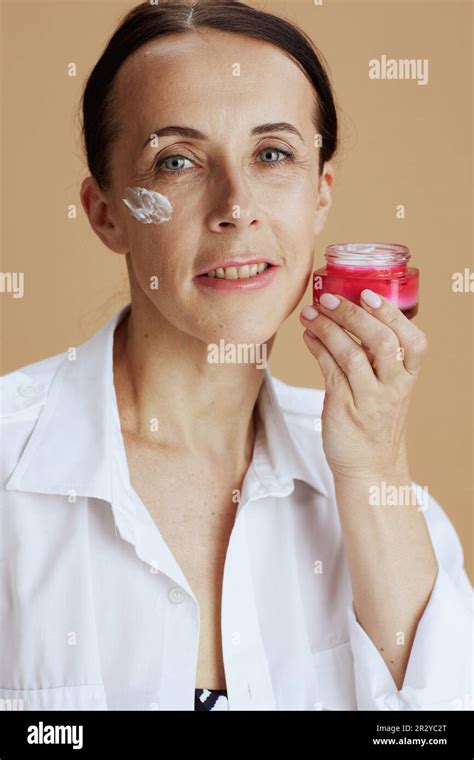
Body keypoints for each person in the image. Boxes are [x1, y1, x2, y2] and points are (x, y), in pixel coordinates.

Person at [0, 0, 472, 712]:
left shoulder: (384, 493)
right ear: (107, 214)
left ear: (321, 194)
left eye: (272, 154)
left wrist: (373, 468)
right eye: (179, 161)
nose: (237, 206)